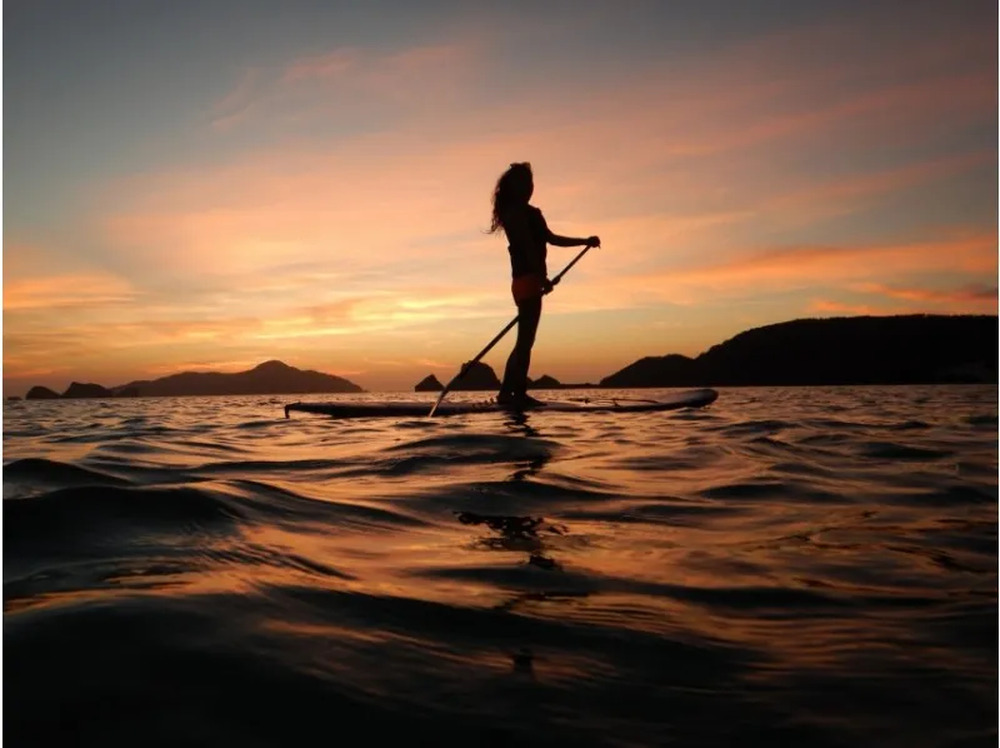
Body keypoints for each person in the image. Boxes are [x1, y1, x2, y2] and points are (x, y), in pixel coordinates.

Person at [489, 162, 600, 408]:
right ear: (518, 187)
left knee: (523, 340)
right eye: (526, 183)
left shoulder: (514, 213)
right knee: (525, 342)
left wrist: (584, 241)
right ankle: (517, 394)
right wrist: (542, 278)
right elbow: (528, 246)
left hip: (519, 283)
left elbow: (551, 239)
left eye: (531, 183)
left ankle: (507, 392)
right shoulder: (520, 214)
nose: (530, 188)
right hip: (528, 280)